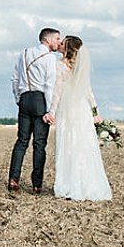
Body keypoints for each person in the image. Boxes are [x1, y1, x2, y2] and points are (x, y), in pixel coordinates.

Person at [50, 36, 112, 201]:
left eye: (62, 43)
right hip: (82, 110)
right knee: (83, 144)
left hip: (68, 109)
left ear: (67, 48)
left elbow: (57, 91)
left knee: (69, 144)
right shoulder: (79, 67)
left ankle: (69, 184)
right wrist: (94, 112)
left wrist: (52, 112)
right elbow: (88, 92)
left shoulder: (59, 66)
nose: (60, 44)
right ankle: (86, 184)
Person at [8, 27, 63, 194]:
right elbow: (49, 85)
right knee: (39, 144)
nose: (58, 42)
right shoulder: (50, 58)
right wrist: (49, 110)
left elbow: (15, 79)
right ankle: (36, 184)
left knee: (21, 141)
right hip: (40, 100)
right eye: (57, 39)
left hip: (24, 99)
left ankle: (13, 179)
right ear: (47, 40)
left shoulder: (23, 53)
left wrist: (19, 98)